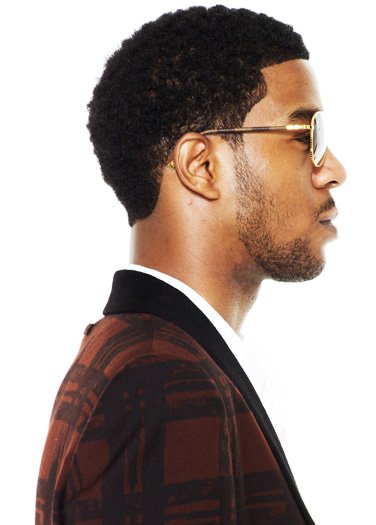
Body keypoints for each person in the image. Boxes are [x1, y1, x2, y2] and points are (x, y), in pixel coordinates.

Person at [35, 5, 346, 525]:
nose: (333, 169)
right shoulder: (159, 379)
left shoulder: (144, 356)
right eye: (305, 134)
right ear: (201, 165)